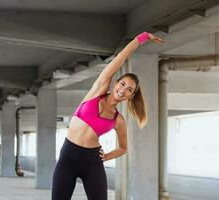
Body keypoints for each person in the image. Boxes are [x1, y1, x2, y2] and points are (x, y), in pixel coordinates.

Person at [52, 32, 164, 200]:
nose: (123, 89)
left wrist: (106, 156)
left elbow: (124, 148)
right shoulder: (97, 91)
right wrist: (143, 38)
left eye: (129, 89)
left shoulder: (118, 120)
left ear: (131, 96)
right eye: (123, 84)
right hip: (67, 157)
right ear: (116, 82)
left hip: (92, 163)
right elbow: (121, 57)